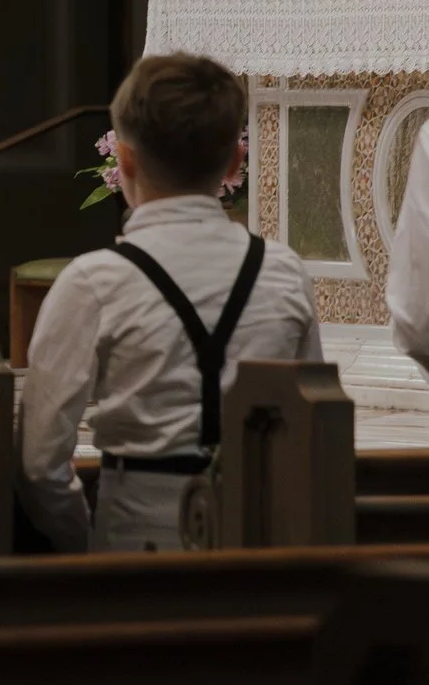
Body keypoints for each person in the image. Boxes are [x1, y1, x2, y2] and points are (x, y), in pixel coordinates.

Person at [21, 53, 321, 553]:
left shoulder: (93, 282)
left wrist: (87, 541)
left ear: (125, 160)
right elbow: (312, 427)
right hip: (256, 547)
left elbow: (38, 464)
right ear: (233, 164)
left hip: (135, 543)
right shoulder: (283, 272)